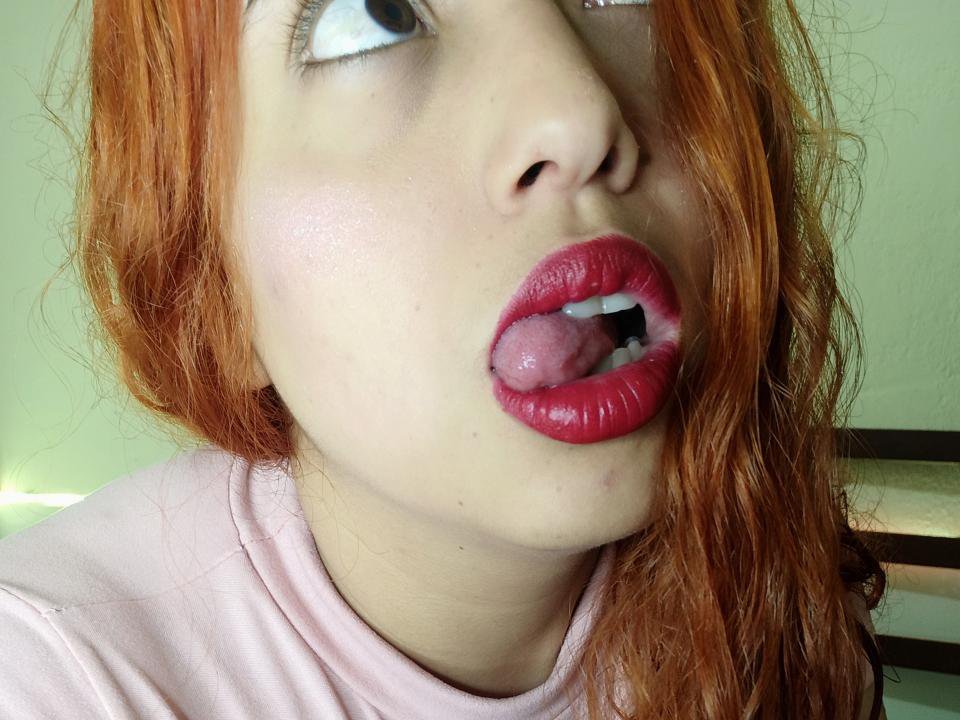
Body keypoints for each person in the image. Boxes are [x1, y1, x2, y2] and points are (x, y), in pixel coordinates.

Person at [0, 0, 887, 718]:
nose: (579, 114)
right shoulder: (49, 681)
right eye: (373, 14)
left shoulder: (787, 602)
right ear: (215, 292)